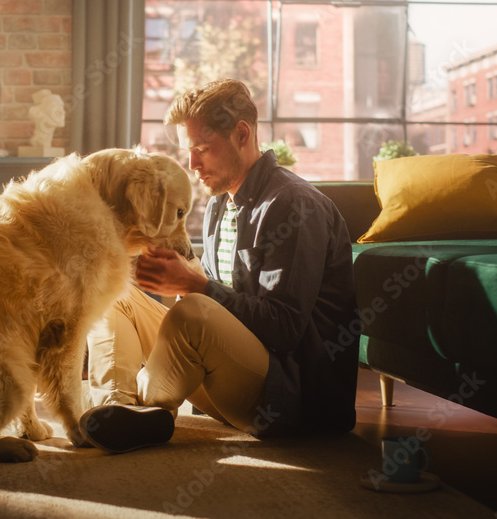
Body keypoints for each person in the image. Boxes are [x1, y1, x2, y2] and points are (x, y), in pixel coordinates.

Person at [78, 79, 359, 453]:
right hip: (231, 379)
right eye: (188, 152)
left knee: (194, 309)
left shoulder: (293, 205)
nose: (192, 164)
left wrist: (194, 286)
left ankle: (149, 407)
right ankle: (116, 409)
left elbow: (284, 329)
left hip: (290, 398)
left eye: (201, 149)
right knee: (117, 293)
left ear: (242, 134)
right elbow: (218, 300)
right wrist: (181, 274)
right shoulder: (219, 204)